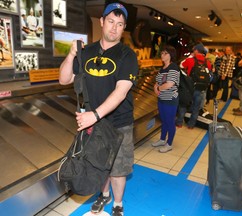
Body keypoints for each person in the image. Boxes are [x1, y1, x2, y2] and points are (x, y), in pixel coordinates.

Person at [59, 3, 138, 216]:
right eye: (111, 21)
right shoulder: (87, 52)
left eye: (120, 24)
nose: (114, 28)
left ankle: (118, 204)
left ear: (124, 28)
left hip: (119, 123)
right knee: (98, 164)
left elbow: (121, 92)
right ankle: (104, 196)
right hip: (93, 123)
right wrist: (71, 55)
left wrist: (94, 115)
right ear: (102, 22)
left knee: (118, 169)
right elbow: (64, 78)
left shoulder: (127, 56)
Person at [176, 43, 212, 128]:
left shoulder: (190, 60)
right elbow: (209, 74)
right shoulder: (208, 62)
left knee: (183, 105)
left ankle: (179, 123)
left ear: (196, 50)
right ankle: (191, 125)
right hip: (200, 88)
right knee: (196, 107)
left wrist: (190, 56)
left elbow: (181, 65)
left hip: (189, 87)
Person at [152, 45, 180, 153]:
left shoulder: (173, 67)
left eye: (165, 53)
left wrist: (158, 87)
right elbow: (157, 81)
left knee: (169, 121)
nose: (162, 55)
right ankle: (162, 139)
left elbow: (169, 84)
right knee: (163, 121)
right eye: (162, 53)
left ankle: (169, 144)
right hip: (162, 99)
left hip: (170, 100)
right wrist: (156, 87)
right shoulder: (162, 68)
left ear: (170, 55)